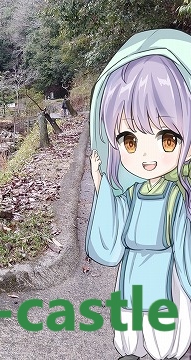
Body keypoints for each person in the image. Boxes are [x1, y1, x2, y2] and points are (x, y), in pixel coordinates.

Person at [87, 29, 191, 360]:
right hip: (129, 277)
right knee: (128, 339)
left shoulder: (177, 196)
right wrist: (104, 188)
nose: (147, 157)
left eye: (167, 139)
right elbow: (110, 241)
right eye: (130, 141)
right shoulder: (132, 191)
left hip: (164, 279)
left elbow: (186, 252)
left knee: (162, 344)